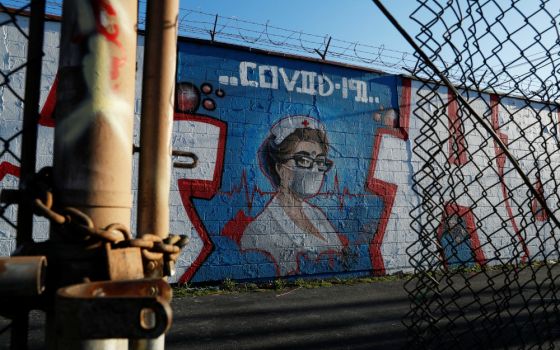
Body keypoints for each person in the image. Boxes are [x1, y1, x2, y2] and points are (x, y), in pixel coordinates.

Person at [240, 115, 342, 275]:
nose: (315, 170)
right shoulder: (258, 231)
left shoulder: (316, 215)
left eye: (320, 161)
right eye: (303, 160)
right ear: (281, 169)